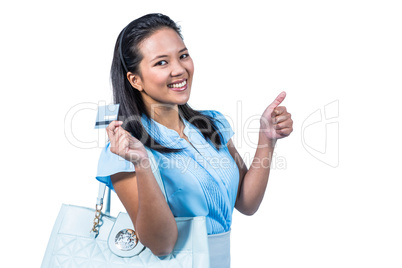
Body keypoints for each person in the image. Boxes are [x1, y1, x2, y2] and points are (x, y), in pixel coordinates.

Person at [96, 13, 293, 267]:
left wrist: (267, 140)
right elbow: (161, 245)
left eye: (183, 55)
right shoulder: (125, 150)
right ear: (135, 80)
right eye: (161, 63)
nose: (179, 69)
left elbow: (246, 203)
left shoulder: (212, 125)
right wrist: (143, 164)